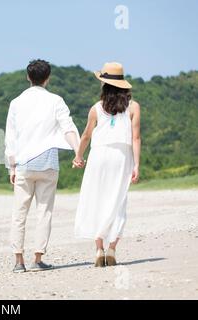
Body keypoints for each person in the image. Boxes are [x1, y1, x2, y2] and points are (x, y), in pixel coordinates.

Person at [5, 59, 81, 273]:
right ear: (47, 78)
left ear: (28, 77)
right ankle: (38, 259)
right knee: (44, 212)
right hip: (47, 163)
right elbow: (68, 127)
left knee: (19, 212)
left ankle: (19, 261)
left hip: (23, 164)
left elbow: (10, 138)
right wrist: (78, 152)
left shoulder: (16, 102)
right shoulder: (56, 100)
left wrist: (11, 166)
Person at [73, 62, 141, 267]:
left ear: (104, 84)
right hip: (122, 157)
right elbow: (136, 138)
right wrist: (137, 165)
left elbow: (86, 135)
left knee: (96, 200)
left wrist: (78, 156)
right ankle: (112, 249)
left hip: (99, 156)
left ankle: (98, 250)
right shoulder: (133, 106)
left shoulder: (96, 108)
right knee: (117, 201)